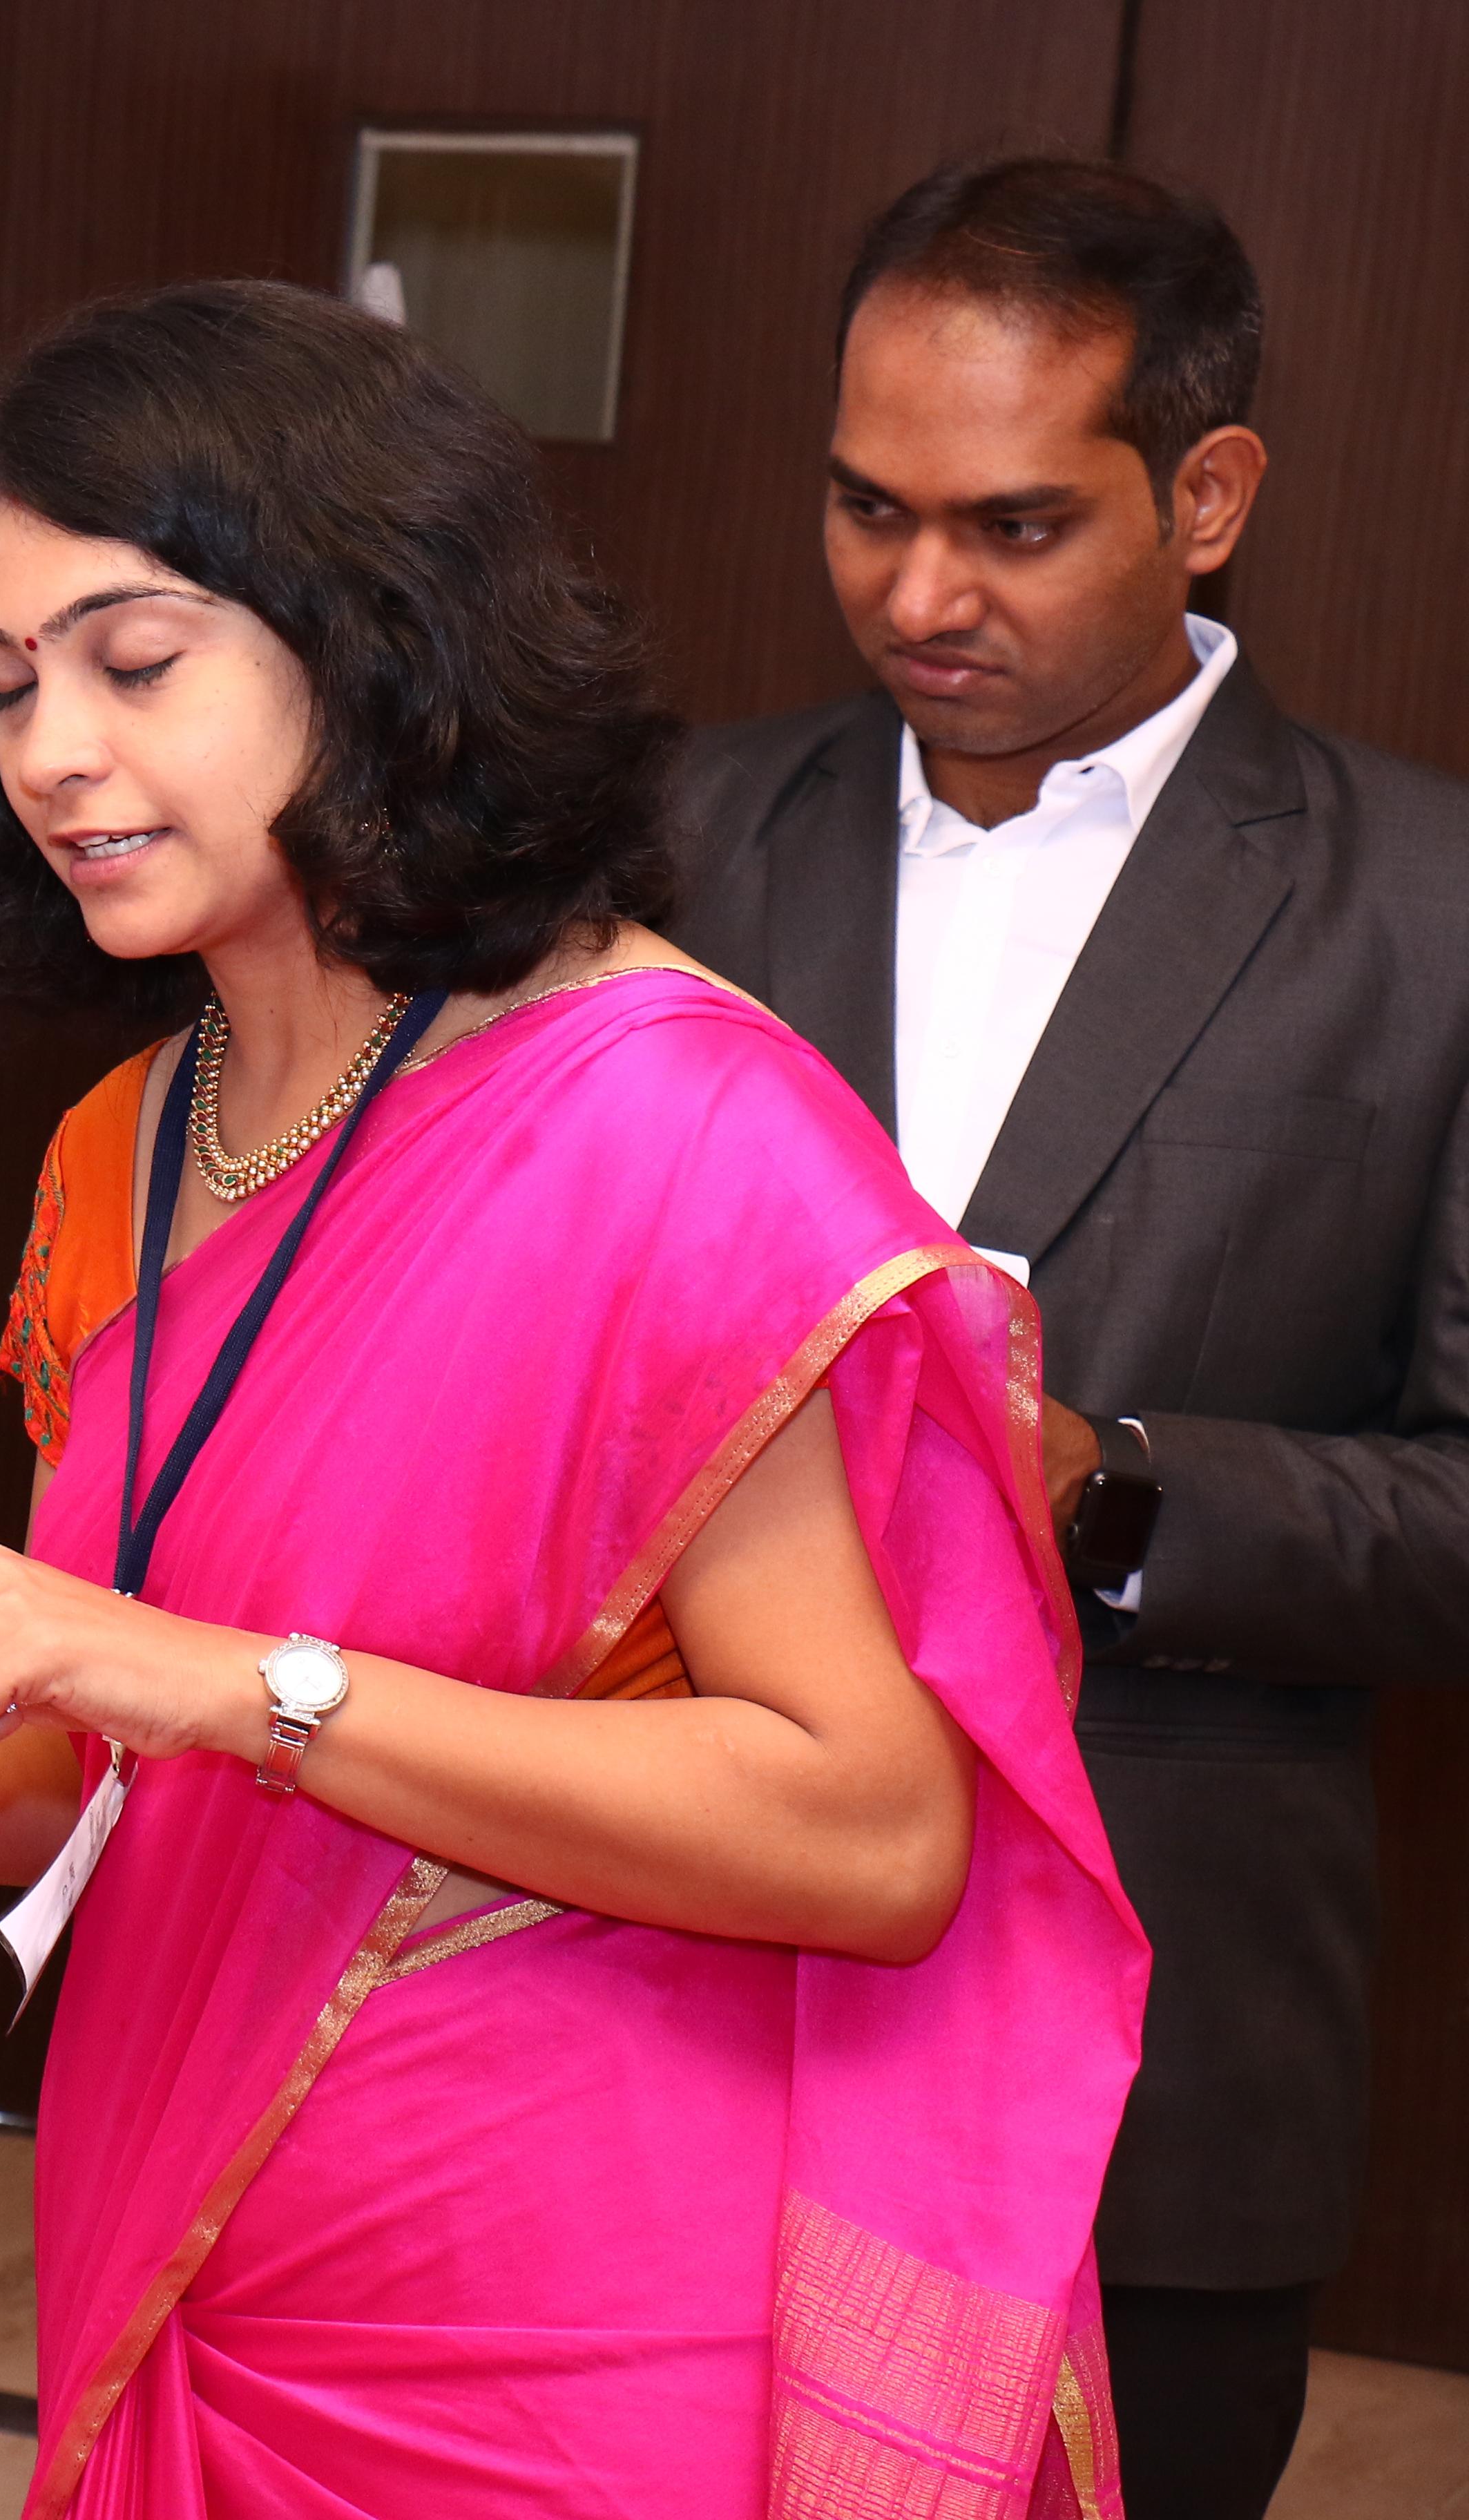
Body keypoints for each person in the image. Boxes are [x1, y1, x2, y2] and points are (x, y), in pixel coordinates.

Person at [0, 281, 1147, 2518]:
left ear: (371, 645)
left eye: (135, 661)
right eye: (7, 679)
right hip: (199, 2257)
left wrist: (238, 1681)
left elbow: (876, 1838)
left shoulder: (672, 1130)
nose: (52, 750)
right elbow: (79, 1782)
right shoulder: (122, 1148)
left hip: (574, 2325)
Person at [668, 157, 1469, 2520]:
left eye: (1013, 527)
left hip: (1161, 2057)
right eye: (868, 508)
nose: (919, 596)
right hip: (670, 1989)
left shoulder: (1432, 916)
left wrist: (1107, 1483)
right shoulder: (667, 852)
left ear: (1207, 496)